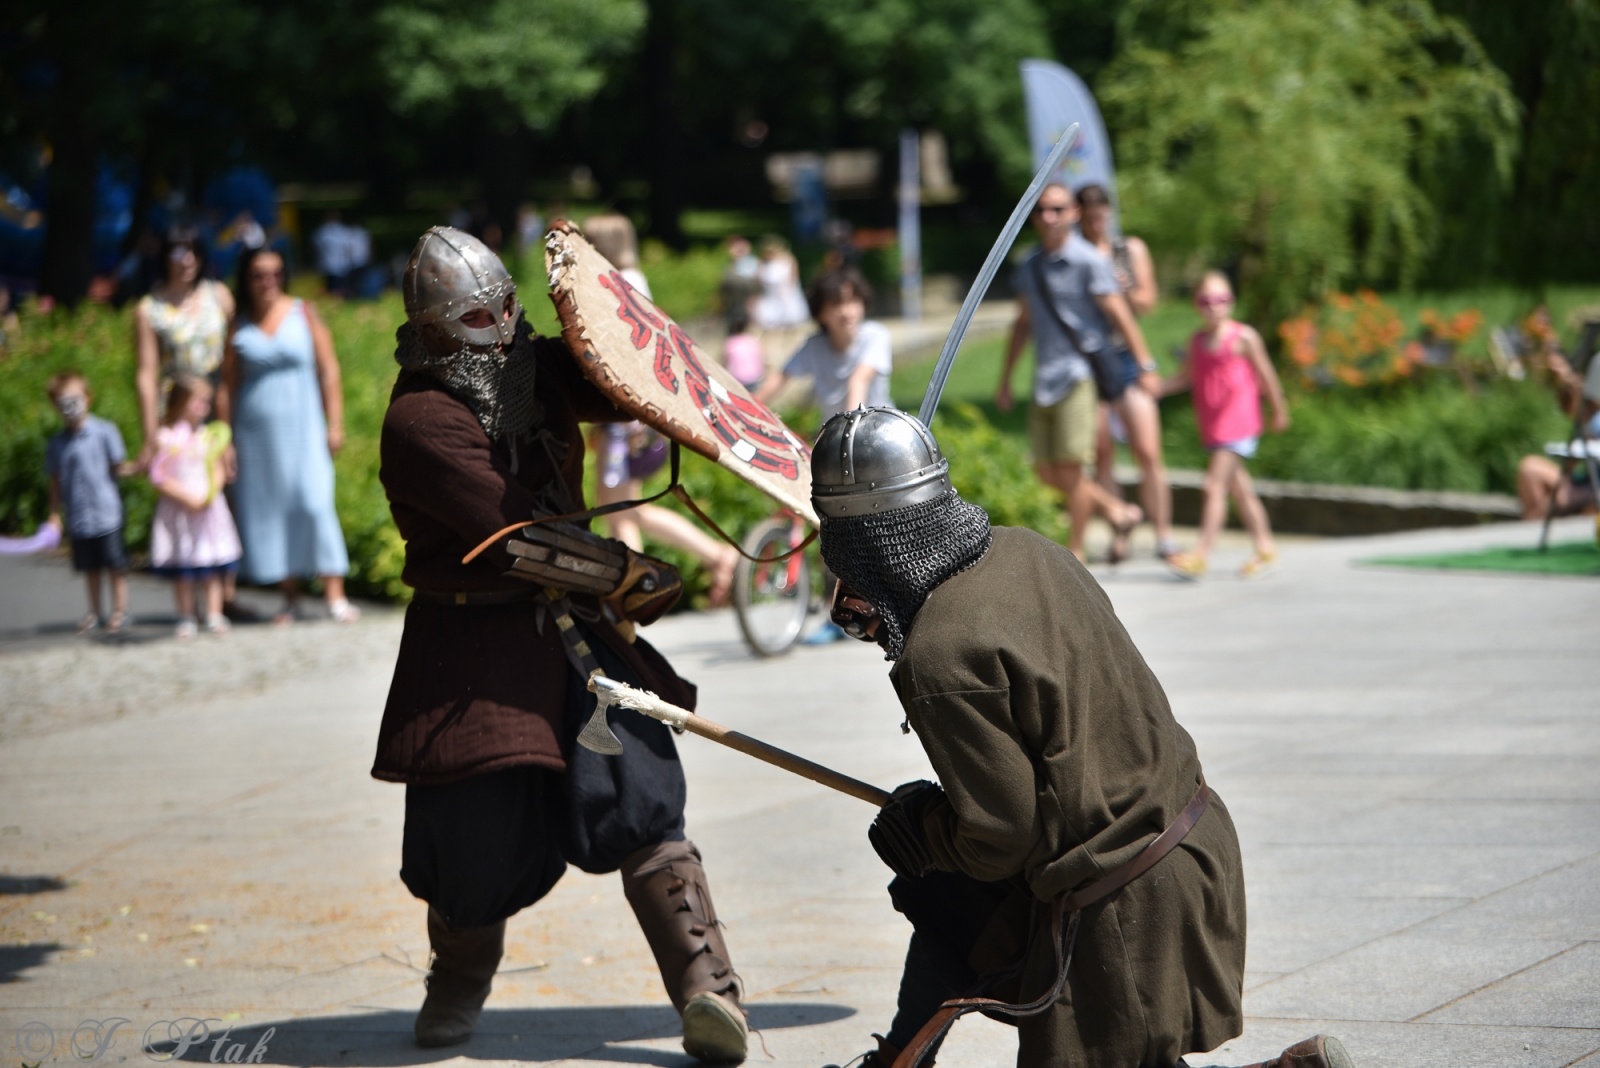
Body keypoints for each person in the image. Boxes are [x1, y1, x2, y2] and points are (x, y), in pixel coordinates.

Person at [808, 405, 1353, 1068]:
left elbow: (1001, 836)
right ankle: (899, 1058)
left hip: (1125, 898)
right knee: (947, 900)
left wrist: (923, 827)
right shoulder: (1030, 551)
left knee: (953, 874)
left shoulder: (940, 654)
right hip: (1193, 841)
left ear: (858, 545)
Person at [374, 227, 748, 1062]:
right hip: (472, 652)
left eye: (510, 306)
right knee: (473, 847)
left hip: (575, 636)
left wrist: (613, 325)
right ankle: (459, 976)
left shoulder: (531, 370)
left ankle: (707, 989)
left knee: (643, 791)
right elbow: (515, 534)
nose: (504, 328)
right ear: (435, 328)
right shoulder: (421, 421)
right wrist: (626, 573)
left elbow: (640, 383)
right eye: (479, 315)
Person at [583, 213, 742, 604]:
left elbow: (625, 354)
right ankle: (656, 579)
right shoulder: (634, 279)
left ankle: (641, 586)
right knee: (624, 508)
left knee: (618, 505)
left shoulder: (617, 284)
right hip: (629, 415)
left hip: (625, 417)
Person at [998, 182, 1153, 561]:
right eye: (1041, 211)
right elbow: (1023, 322)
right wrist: (1005, 378)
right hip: (1044, 378)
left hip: (1078, 376)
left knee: (1070, 468)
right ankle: (1117, 511)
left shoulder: (1088, 261)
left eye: (1057, 209)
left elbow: (1119, 313)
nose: (1048, 218)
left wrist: (1145, 363)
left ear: (1074, 213)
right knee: (1047, 472)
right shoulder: (1030, 264)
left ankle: (1077, 549)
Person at [218, 247, 358, 623]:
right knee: (270, 510)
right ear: (246, 280)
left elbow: (329, 371)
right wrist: (224, 438)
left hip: (304, 427)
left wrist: (336, 423)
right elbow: (226, 386)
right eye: (259, 275)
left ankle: (335, 594)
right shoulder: (239, 323)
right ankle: (290, 597)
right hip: (255, 434)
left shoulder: (304, 312)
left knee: (314, 503)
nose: (268, 282)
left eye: (276, 273)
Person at [1162, 272, 1289, 579]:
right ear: (1196, 305)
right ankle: (1265, 549)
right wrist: (1157, 388)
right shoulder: (1197, 341)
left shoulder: (1244, 337)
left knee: (1213, 486)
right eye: (1206, 301)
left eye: (1221, 300)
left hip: (1240, 423)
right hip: (1215, 425)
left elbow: (1267, 375)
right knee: (1240, 490)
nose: (1213, 307)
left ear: (1230, 303)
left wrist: (1279, 409)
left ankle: (1200, 555)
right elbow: (1185, 377)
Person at [1075, 183, 1175, 561]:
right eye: (1092, 217)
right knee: (1103, 454)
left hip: (1127, 358)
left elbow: (1148, 303)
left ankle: (1164, 534)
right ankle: (1121, 532)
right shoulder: (1076, 255)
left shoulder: (1128, 250)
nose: (1099, 223)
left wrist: (1125, 289)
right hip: (1093, 360)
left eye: (1103, 216)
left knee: (1148, 451)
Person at [148, 376, 242, 638]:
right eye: (199, 400)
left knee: (211, 565)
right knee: (184, 566)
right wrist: (185, 498)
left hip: (207, 509)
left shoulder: (209, 436)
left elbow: (218, 467)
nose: (205, 405)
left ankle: (214, 613)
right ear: (181, 402)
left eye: (206, 400)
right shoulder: (166, 439)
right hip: (181, 509)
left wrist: (209, 496)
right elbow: (159, 476)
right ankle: (187, 614)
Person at [135, 227, 236, 468]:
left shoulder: (219, 295)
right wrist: (151, 437)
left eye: (194, 251)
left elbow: (235, 356)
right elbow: (147, 375)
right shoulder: (150, 308)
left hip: (220, 400)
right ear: (165, 257)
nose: (188, 260)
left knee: (226, 475)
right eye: (179, 252)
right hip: (179, 406)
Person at [45, 372, 132, 635]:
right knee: (90, 568)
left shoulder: (105, 431)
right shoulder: (57, 443)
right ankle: (95, 611)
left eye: (75, 399)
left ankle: (120, 610)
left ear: (87, 398)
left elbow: (118, 467)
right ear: (56, 406)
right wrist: (53, 514)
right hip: (79, 517)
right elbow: (55, 482)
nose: (70, 406)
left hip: (107, 513)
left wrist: (143, 467)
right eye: (63, 401)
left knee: (116, 565)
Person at [754, 267, 892, 422]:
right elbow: (781, 377)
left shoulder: (875, 335)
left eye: (853, 301)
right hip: (837, 433)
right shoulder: (814, 346)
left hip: (878, 428)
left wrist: (847, 428)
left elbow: (859, 379)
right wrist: (747, 407)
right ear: (820, 313)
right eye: (836, 304)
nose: (846, 311)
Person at [1515, 308, 1599, 519]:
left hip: (1593, 487)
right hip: (1584, 479)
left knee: (1551, 502)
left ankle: (1533, 530)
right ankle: (1535, 527)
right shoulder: (1585, 417)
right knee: (1529, 469)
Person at [751, 235, 811, 367]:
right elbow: (758, 282)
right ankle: (772, 359)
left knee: (793, 331)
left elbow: (793, 282)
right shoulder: (762, 263)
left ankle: (797, 357)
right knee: (770, 332)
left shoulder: (789, 261)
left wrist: (786, 300)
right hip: (770, 299)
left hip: (785, 297)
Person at [722, 311, 765, 390]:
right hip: (754, 377)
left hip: (739, 379)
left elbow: (725, 362)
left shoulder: (730, 342)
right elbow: (760, 358)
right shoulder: (752, 339)